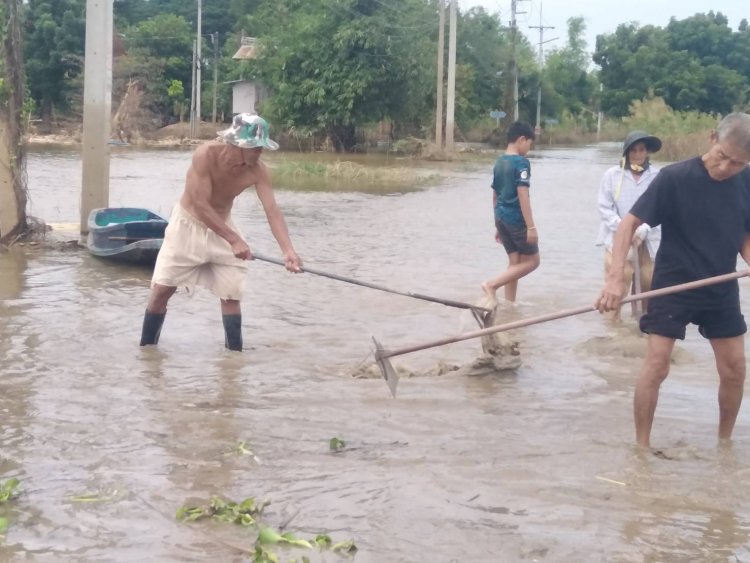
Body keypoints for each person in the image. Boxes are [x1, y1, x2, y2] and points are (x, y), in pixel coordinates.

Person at [596, 112, 750, 448]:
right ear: (712, 138)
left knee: (736, 368)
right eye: (723, 157)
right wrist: (614, 280)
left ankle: (724, 444)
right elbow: (628, 224)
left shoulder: (747, 180)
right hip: (673, 286)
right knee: (657, 365)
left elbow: (744, 233)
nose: (726, 168)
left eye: (737, 164)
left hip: (720, 287)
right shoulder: (674, 178)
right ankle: (641, 448)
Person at [140, 113, 302, 351]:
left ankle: (234, 360)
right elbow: (200, 205)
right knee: (163, 289)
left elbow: (272, 211)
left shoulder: (257, 170)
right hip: (188, 224)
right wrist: (234, 240)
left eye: (261, 148)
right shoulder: (205, 155)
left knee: (231, 293)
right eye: (255, 148)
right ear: (236, 145)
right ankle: (147, 352)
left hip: (224, 225)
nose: (259, 153)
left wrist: (288, 251)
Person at [596, 130, 662, 320]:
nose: (637, 154)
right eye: (633, 150)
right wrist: (623, 227)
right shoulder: (612, 175)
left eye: (641, 150)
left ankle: (641, 322)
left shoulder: (657, 176)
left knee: (648, 281)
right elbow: (604, 207)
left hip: (647, 238)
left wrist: (643, 229)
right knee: (618, 280)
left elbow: (661, 209)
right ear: (626, 153)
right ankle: (613, 324)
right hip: (617, 237)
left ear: (647, 152)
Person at [481, 121, 539, 305]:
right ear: (521, 139)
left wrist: (498, 224)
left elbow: (495, 194)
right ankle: (491, 285)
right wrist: (531, 227)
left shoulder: (499, 162)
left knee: (514, 263)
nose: (529, 148)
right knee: (533, 261)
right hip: (515, 219)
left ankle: (509, 305)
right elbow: (523, 195)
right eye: (529, 143)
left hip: (501, 217)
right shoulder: (521, 163)